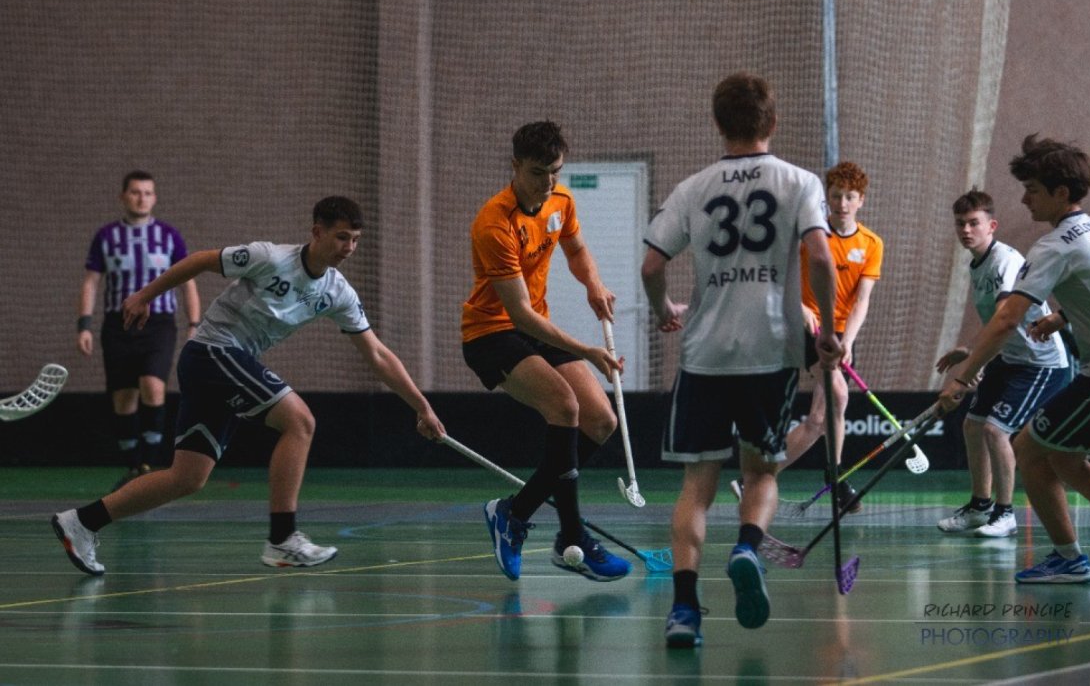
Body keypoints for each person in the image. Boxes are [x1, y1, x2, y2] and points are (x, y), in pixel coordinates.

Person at [53, 196, 445, 576]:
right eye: (342, 237)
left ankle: (82, 522)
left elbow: (377, 354)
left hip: (223, 364)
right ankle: (282, 539)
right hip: (212, 351)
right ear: (317, 232)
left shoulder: (337, 292)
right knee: (300, 422)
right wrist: (144, 295)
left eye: (356, 239)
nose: (350, 248)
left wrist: (421, 407)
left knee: (187, 477)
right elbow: (201, 260)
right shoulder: (270, 257)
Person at [641, 72, 841, 647]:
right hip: (770, 351)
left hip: (705, 354)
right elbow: (821, 259)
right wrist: (827, 332)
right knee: (761, 472)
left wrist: (663, 310)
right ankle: (748, 548)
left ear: (717, 123)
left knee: (696, 488)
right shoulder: (799, 182)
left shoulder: (692, 187)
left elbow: (652, 266)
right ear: (771, 122)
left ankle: (684, 611)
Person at [938, 135, 1090, 583]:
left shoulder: (1054, 246)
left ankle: (1069, 559)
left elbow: (1006, 320)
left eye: (1033, 190)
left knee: (1029, 450)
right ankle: (1068, 557)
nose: (1024, 199)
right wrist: (1062, 316)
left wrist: (962, 378)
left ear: (1060, 192)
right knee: (1062, 458)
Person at [462, 120, 631, 583]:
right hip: (490, 335)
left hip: (534, 329)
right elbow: (518, 315)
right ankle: (572, 537)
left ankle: (514, 513)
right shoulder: (494, 224)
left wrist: (593, 284)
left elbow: (576, 250)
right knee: (565, 407)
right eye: (538, 173)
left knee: (601, 421)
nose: (548, 182)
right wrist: (588, 351)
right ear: (515, 166)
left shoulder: (561, 201)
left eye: (556, 171)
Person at [935, 190, 1069, 538]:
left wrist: (964, 375)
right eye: (960, 224)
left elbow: (1005, 320)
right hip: (1011, 357)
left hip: (1042, 362)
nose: (966, 230)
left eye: (973, 223)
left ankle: (1005, 514)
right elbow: (996, 324)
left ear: (991, 225)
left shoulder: (1005, 261)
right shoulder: (977, 264)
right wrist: (970, 350)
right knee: (973, 425)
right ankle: (980, 507)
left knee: (996, 430)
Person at [78, 170, 201, 489]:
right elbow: (91, 282)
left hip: (158, 325)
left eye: (147, 193)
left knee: (153, 386)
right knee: (124, 399)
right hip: (118, 325)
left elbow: (187, 283)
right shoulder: (106, 237)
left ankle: (150, 464)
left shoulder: (169, 235)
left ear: (154, 198)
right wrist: (84, 325)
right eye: (135, 192)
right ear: (123, 196)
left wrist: (194, 323)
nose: (141, 198)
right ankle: (133, 467)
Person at [777, 161, 883, 512]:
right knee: (838, 394)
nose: (842, 204)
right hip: (808, 326)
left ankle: (831, 478)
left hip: (841, 332)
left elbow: (862, 300)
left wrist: (848, 340)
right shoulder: (812, 236)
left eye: (850, 197)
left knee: (820, 417)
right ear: (828, 197)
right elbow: (782, 274)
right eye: (836, 196)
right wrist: (800, 307)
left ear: (861, 200)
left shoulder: (871, 244)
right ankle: (829, 478)